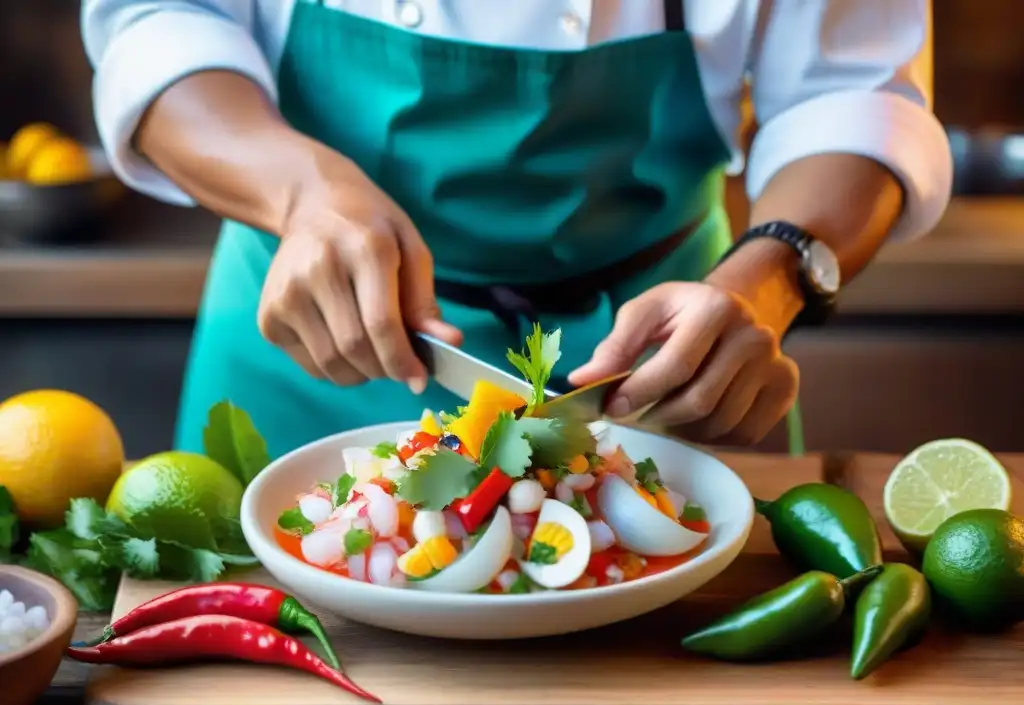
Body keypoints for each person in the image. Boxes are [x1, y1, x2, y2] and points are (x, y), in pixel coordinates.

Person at [82, 0, 951, 458]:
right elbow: (156, 21)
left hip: (654, 370)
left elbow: (855, 96)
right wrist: (297, 191)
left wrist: (763, 283)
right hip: (305, 346)